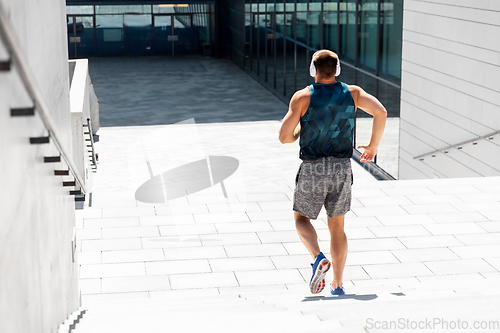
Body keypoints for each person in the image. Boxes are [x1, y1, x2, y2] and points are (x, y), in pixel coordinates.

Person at [278, 50, 387, 295]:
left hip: (313, 167)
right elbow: (381, 112)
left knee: (301, 219)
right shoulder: (354, 93)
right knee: (337, 227)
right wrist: (372, 146)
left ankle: (318, 258)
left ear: (312, 69)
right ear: (337, 69)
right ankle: (338, 285)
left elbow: (284, 137)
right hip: (341, 167)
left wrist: (298, 133)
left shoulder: (303, 97)